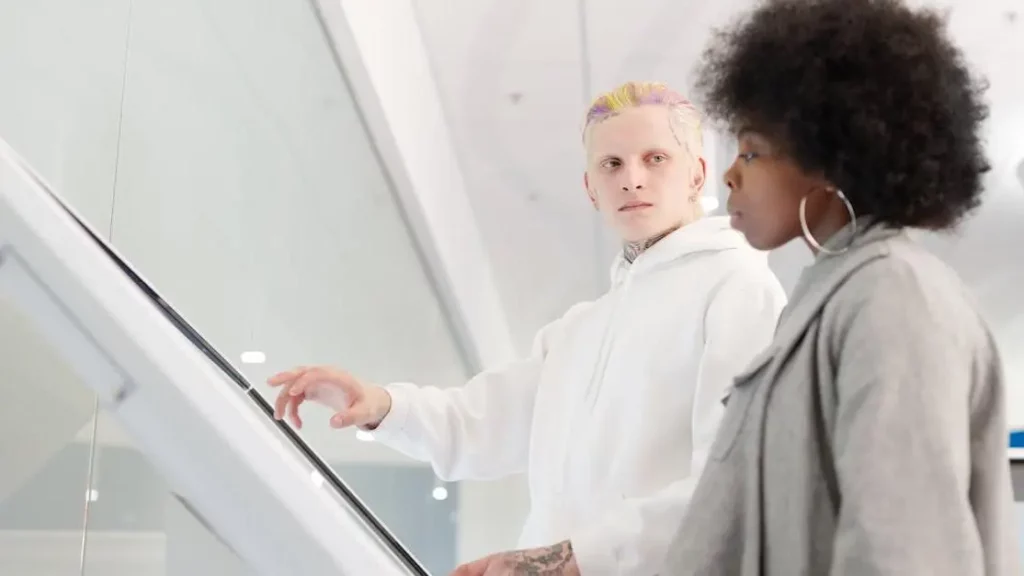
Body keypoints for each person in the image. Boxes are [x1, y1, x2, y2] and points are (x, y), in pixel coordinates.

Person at [268, 81, 787, 576]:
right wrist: (379, 404)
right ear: (590, 188)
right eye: (612, 164)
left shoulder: (737, 288)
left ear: (697, 174)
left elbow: (730, 486)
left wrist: (571, 560)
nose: (631, 178)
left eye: (655, 159)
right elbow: (476, 425)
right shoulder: (578, 331)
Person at [662, 1, 1022, 574]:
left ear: (831, 155)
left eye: (752, 151)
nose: (730, 172)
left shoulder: (891, 294)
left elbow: (901, 554)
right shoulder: (817, 312)